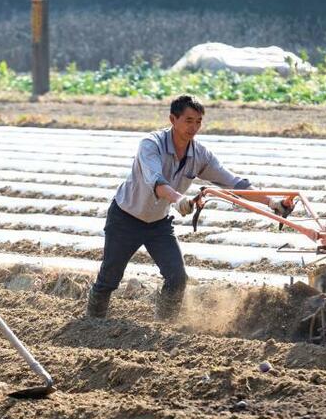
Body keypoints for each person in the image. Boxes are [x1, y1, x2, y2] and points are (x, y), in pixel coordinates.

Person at [86, 94, 292, 320]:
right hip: (125, 218)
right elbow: (156, 181)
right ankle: (92, 324)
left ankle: (164, 325)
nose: (194, 127)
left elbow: (234, 182)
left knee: (177, 278)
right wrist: (177, 199)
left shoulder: (199, 154)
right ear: (173, 119)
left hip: (158, 225)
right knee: (109, 279)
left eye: (198, 122)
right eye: (188, 120)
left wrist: (272, 202)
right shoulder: (151, 145)